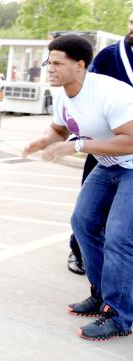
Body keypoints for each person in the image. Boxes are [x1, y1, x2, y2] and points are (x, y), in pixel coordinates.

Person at [23, 34, 133, 341]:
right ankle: (100, 293)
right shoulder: (64, 94)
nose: (50, 68)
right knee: (83, 224)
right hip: (110, 164)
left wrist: (77, 147)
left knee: (121, 237)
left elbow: (131, 139)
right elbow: (60, 126)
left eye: (58, 63)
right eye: (49, 62)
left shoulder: (111, 93)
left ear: (80, 66)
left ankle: (119, 315)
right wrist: (44, 140)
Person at [66, 10, 133, 275]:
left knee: (122, 223)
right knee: (87, 213)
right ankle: (79, 251)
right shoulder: (110, 56)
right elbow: (84, 91)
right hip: (103, 144)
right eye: (130, 21)